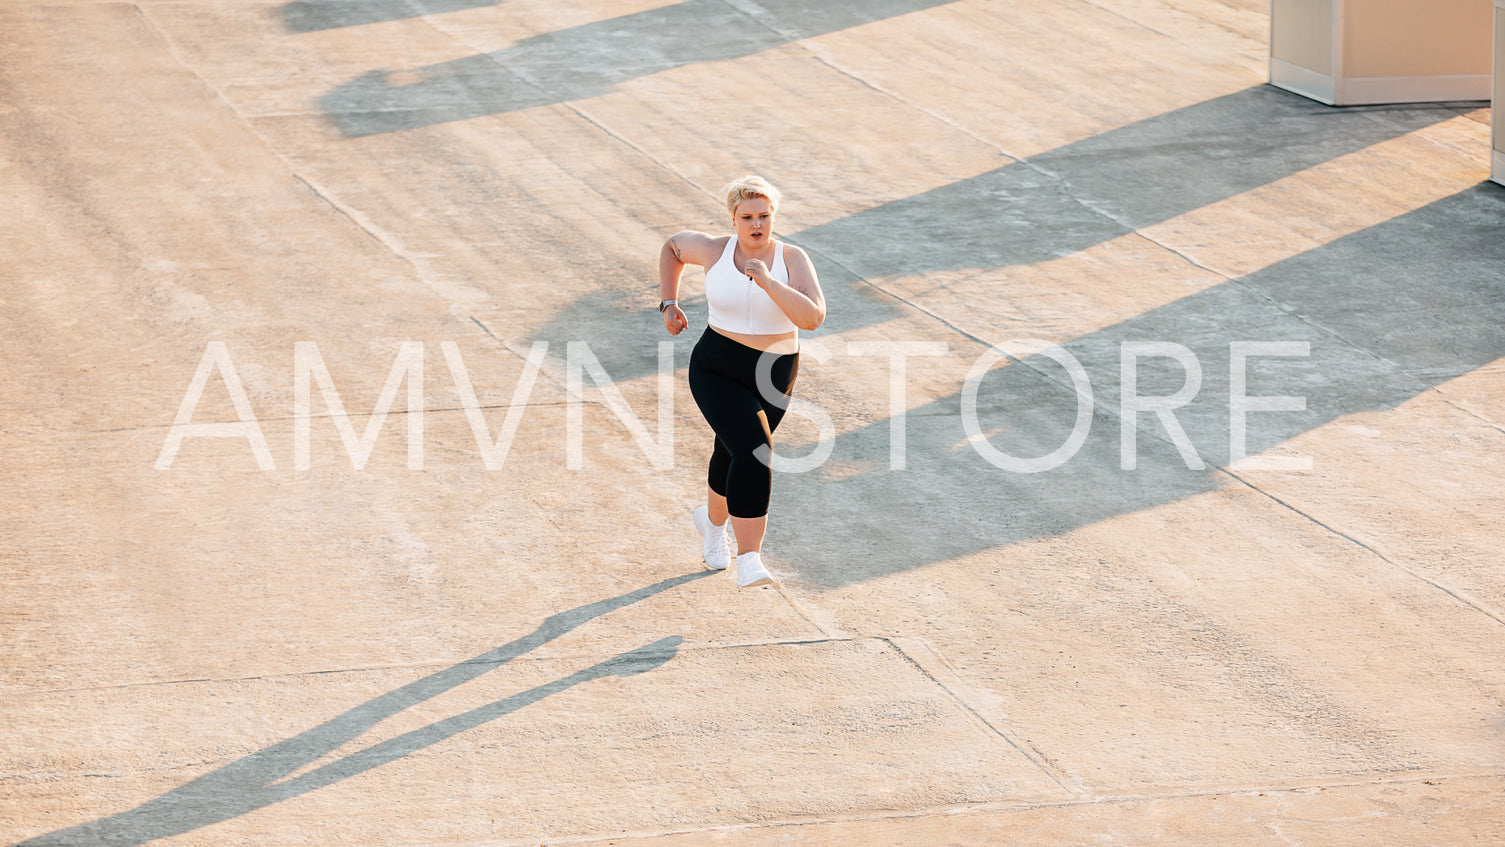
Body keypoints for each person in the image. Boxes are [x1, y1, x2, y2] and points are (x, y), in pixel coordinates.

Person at [658, 176, 826, 587]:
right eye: (747, 216)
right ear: (733, 218)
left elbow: (812, 318)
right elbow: (672, 248)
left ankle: (713, 528)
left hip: (775, 373)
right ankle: (750, 559)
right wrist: (669, 303)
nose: (756, 224)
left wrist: (770, 282)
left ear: (773, 217)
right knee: (755, 450)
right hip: (718, 365)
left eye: (764, 216)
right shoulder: (715, 250)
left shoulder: (792, 258)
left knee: (732, 452)